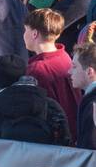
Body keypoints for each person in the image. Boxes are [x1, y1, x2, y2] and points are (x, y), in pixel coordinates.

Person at [24, 7, 79, 140]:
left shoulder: (36, 70)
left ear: (34, 34)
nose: (23, 34)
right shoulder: (64, 56)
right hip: (75, 131)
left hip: (57, 138)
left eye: (25, 30)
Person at [70, 43, 96, 148]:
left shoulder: (92, 104)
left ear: (89, 72)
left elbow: (89, 146)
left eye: (74, 67)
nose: (69, 71)